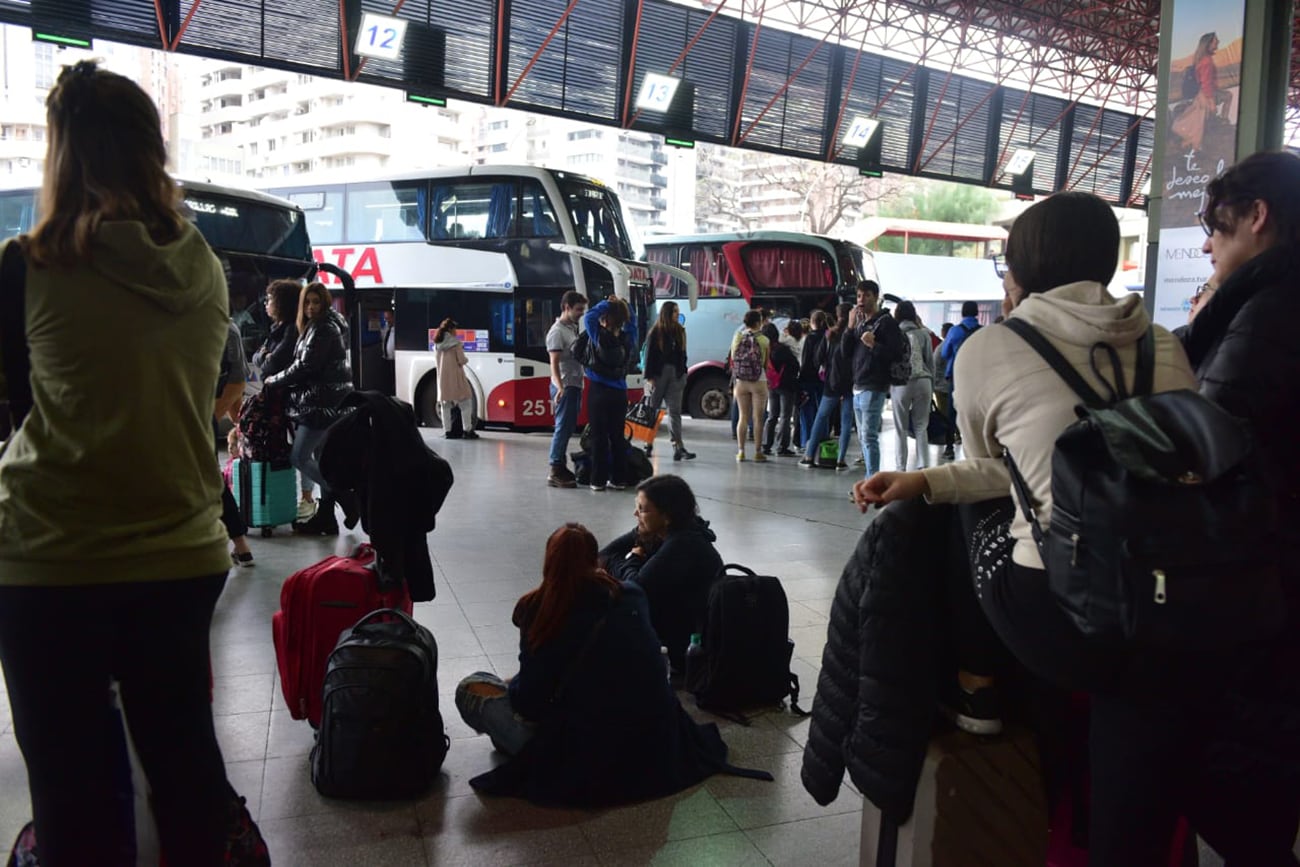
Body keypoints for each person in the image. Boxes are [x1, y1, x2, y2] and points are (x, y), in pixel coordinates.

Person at [853, 192, 1218, 865]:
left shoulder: (990, 347)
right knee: (1126, 715)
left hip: (1055, 614)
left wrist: (928, 484)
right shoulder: (1165, 344)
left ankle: (977, 683)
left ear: (1018, 272)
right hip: (1169, 597)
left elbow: (994, 466)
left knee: (973, 510)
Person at [0, 61, 244, 864]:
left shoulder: (26, 266)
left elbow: (20, 410)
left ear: (62, 157)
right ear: (150, 151)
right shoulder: (204, 267)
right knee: (185, 769)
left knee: (73, 801)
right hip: (182, 552)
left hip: (51, 561)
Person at [1179, 150, 1300, 861]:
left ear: (1257, 218)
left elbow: (1207, 444)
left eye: (1215, 229)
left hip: (1267, 585)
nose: (1205, 244)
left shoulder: (1272, 308)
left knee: (1241, 794)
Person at [454, 523, 737, 806]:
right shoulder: (630, 595)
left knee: (472, 687)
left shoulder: (539, 608)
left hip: (581, 749)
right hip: (652, 740)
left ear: (548, 562)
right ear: (593, 558)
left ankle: (513, 743)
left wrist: (515, 685)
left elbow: (529, 702)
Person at [598, 475, 723, 672]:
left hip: (690, 639)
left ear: (666, 515)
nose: (635, 514)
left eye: (642, 509)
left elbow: (635, 587)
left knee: (613, 601)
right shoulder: (657, 530)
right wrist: (628, 563)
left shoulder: (684, 543)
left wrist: (632, 559)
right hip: (674, 619)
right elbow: (604, 555)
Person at [263, 281, 352, 536]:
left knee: (299, 457)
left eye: (316, 302)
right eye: (307, 302)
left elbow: (305, 366)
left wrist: (274, 379)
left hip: (320, 404)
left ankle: (343, 495)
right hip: (326, 402)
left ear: (324, 303)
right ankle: (326, 518)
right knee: (322, 461)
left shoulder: (323, 328)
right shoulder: (321, 325)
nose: (311, 307)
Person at [843, 280, 902, 478]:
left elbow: (895, 354)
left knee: (868, 436)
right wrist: (850, 328)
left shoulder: (887, 323)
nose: (861, 300)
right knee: (862, 436)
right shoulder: (860, 324)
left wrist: (873, 344)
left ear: (875, 297)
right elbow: (845, 352)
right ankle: (870, 477)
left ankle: (872, 479)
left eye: (866, 295)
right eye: (859, 296)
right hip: (858, 385)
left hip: (874, 385)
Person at [582, 297, 636, 491]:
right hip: (620, 392)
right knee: (617, 436)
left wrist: (607, 304)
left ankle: (597, 480)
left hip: (598, 391)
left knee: (598, 436)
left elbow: (589, 317)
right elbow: (633, 321)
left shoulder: (599, 336)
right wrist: (623, 305)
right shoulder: (628, 338)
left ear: (605, 319)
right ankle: (619, 479)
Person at [215, 318, 254, 567]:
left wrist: (210, 417)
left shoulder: (225, 328)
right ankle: (241, 546)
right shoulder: (226, 326)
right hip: (189, 411)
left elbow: (237, 382)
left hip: (189, 413)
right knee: (212, 478)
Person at [800, 303, 855, 470]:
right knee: (846, 422)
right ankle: (841, 460)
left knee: (821, 417)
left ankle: (809, 456)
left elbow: (817, 359)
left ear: (837, 315)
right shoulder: (854, 333)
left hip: (831, 382)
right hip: (851, 383)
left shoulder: (829, 334)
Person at [642, 300, 696, 461]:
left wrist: (683, 373)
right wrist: (649, 377)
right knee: (652, 410)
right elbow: (649, 356)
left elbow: (683, 353)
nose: (677, 314)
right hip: (658, 375)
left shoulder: (680, 331)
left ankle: (678, 447)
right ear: (667, 313)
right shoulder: (656, 332)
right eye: (674, 312)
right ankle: (648, 444)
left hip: (676, 374)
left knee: (675, 412)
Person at [546, 291, 587, 487]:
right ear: (566, 307)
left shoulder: (571, 328)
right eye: (578, 309)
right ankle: (555, 468)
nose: (581, 313)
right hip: (566, 384)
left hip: (574, 383)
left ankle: (560, 465)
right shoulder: (557, 332)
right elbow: (553, 362)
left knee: (568, 426)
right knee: (562, 427)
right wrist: (560, 387)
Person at [890, 301, 936, 471]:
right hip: (923, 381)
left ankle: (900, 466)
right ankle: (923, 465)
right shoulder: (923, 334)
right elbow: (930, 361)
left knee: (900, 428)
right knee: (921, 426)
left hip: (901, 382)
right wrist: (932, 382)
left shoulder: (893, 333)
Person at [937, 302, 982, 460]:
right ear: (976, 313)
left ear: (962, 313)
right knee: (977, 411)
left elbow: (944, 353)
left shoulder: (955, 331)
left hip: (957, 376)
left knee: (952, 411)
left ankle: (949, 448)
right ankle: (977, 448)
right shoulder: (983, 331)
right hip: (977, 377)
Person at [730, 309, 770, 462]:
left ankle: (741, 452)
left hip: (741, 382)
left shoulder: (738, 337)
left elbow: (734, 358)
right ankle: (758, 452)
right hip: (759, 381)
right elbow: (765, 364)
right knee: (758, 418)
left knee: (743, 416)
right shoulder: (764, 340)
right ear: (758, 322)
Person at [1171, 32, 1220, 153]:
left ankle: (1191, 143)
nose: (1218, 43)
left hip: (1201, 93)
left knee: (1197, 118)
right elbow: (1206, 82)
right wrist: (1211, 101)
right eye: (1215, 41)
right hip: (1204, 93)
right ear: (1208, 44)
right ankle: (1195, 144)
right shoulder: (1206, 61)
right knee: (1198, 119)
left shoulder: (1201, 59)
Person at [432, 317, 479, 440]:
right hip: (457, 379)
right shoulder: (455, 344)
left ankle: (447, 431)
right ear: (450, 329)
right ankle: (467, 430)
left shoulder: (437, 344)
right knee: (465, 403)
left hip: (442, 379)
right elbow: (462, 360)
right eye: (455, 329)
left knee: (445, 405)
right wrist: (467, 359)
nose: (456, 332)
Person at [761, 322, 799, 456]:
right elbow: (795, 365)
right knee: (785, 417)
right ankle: (782, 447)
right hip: (786, 386)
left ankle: (766, 445)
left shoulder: (764, 350)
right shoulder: (782, 349)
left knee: (772, 415)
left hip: (771, 385)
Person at [796, 309, 828, 451]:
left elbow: (806, 359)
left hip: (808, 378)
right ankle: (823, 440)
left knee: (806, 411)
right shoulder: (829, 336)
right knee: (823, 411)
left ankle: (807, 442)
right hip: (824, 379)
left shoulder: (810, 338)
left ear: (812, 322)